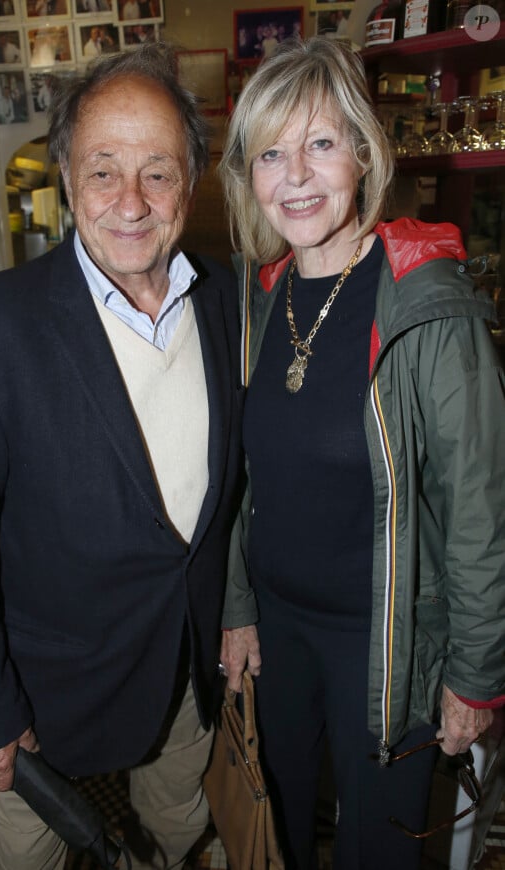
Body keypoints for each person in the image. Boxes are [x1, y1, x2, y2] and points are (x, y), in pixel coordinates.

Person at [0, 44, 244, 870]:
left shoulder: (230, 304)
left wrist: (235, 611)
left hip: (184, 664)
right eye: (103, 170)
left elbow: (240, 491)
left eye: (158, 172)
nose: (131, 202)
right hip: (45, 693)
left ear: (192, 182)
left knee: (176, 826)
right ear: (67, 176)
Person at [218, 36, 505, 870]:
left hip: (390, 642)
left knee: (376, 850)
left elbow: (481, 506)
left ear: (363, 151)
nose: (296, 176)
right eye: (271, 152)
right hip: (278, 631)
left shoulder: (429, 309)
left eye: (319, 143)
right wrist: (239, 605)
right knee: (277, 829)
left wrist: (475, 675)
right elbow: (247, 481)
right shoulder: (261, 299)